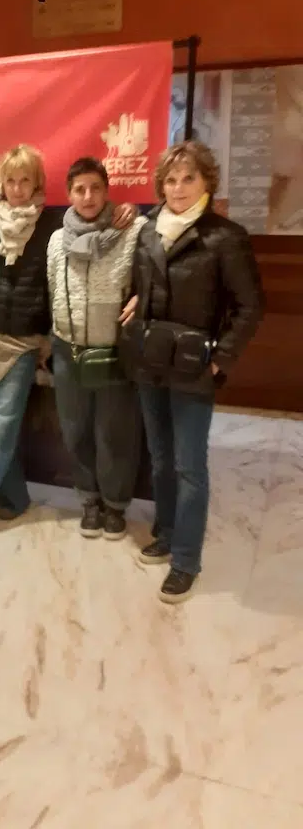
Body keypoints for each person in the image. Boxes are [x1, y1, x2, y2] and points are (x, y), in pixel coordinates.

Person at [0, 146, 136, 539]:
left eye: (25, 180)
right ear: (2, 183)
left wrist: (128, 209)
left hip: (25, 343)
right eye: (10, 180)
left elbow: (81, 251)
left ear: (37, 184)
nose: (17, 189)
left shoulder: (54, 225)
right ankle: (14, 499)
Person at [120, 140, 263, 603]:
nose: (178, 188)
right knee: (160, 459)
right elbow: (144, 283)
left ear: (207, 182)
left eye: (188, 178)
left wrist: (223, 357)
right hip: (149, 361)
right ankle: (165, 531)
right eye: (170, 179)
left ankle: (185, 559)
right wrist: (138, 298)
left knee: (189, 466)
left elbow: (250, 305)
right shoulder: (146, 230)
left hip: (194, 366)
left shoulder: (225, 235)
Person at [47, 157, 146, 541]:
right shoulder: (57, 240)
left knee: (114, 433)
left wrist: (141, 299)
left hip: (113, 351)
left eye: (95, 188)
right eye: (79, 189)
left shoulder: (132, 230)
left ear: (107, 191)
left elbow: (152, 278)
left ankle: (116, 505)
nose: (88, 197)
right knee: (75, 431)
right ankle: (88, 500)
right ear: (69, 194)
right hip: (66, 350)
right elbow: (53, 287)